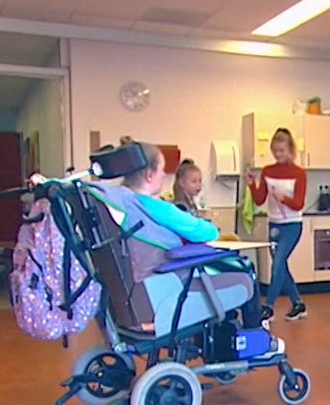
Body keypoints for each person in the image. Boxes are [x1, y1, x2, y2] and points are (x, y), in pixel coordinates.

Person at [101, 141, 263, 330]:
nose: (164, 175)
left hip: (136, 292)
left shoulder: (121, 204)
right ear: (149, 175)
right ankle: (254, 332)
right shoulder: (158, 208)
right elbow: (209, 232)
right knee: (245, 271)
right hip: (168, 285)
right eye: (162, 170)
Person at [247, 127, 309, 320]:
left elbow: (299, 204)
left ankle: (268, 306)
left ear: (290, 150)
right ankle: (298, 304)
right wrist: (252, 184)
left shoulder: (299, 173)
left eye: (281, 150)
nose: (278, 154)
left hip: (292, 225)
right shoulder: (267, 171)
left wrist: (283, 198)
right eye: (275, 150)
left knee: (278, 264)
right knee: (280, 266)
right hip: (274, 224)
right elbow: (259, 200)